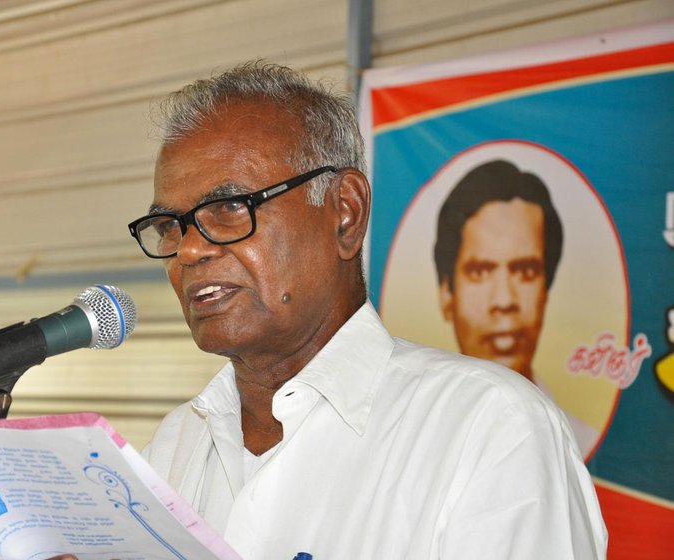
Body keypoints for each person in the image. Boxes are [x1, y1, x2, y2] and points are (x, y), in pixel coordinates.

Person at [56, 61, 607, 559]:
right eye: (170, 226)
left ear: (344, 213)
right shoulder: (176, 445)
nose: (190, 249)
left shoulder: (488, 428)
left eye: (229, 208)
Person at [433, 160, 600, 457]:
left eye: (525, 271)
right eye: (481, 272)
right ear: (447, 292)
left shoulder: (578, 446)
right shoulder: (414, 441)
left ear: (545, 291)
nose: (504, 300)